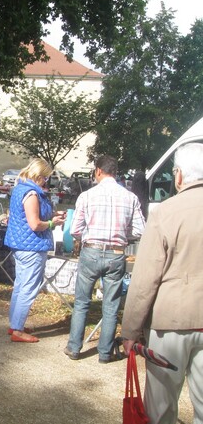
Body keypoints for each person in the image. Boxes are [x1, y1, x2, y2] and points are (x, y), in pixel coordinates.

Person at [121, 143, 203, 424]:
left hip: (171, 321)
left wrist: (130, 330)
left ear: (179, 176)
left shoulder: (166, 211)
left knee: (160, 405)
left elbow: (145, 279)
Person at [64, 155, 145, 362]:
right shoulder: (130, 197)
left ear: (98, 171)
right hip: (116, 254)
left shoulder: (87, 196)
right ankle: (105, 353)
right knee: (111, 305)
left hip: (91, 251)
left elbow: (75, 230)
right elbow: (140, 230)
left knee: (82, 301)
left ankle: (74, 347)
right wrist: (121, 236)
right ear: (115, 172)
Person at [4, 159, 66, 341]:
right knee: (28, 288)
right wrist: (53, 223)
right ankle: (17, 330)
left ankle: (15, 324)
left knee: (20, 285)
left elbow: (31, 216)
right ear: (39, 176)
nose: (46, 182)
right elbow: (35, 224)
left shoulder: (20, 188)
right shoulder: (31, 193)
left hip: (21, 246)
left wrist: (53, 214)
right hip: (32, 246)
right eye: (45, 178)